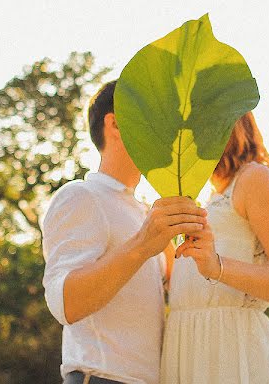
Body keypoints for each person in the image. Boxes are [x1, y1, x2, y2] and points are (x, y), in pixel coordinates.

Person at [41, 80, 207, 384]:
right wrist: (143, 244)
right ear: (115, 123)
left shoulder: (144, 211)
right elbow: (66, 304)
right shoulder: (81, 196)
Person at [161, 111, 269, 383]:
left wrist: (217, 266)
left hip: (236, 354)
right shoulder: (206, 199)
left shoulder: (253, 179)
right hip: (186, 354)